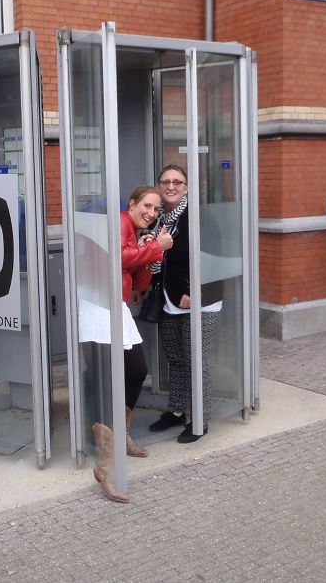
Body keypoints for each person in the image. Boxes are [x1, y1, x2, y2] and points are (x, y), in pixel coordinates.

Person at [93, 185, 173, 503]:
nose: (151, 214)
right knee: (128, 372)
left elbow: (139, 283)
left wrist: (149, 251)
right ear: (132, 204)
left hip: (118, 306)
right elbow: (117, 257)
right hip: (103, 306)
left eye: (156, 210)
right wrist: (155, 249)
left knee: (136, 371)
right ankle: (107, 462)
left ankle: (118, 439)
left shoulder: (135, 232)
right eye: (147, 206)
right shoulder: (119, 222)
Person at [147, 164, 221, 443]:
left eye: (177, 182)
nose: (171, 186)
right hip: (169, 298)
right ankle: (177, 411)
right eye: (165, 181)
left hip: (199, 300)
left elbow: (213, 255)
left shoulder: (199, 216)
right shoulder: (159, 218)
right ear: (159, 186)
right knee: (176, 358)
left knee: (195, 360)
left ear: (186, 187)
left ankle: (200, 419)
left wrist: (196, 291)